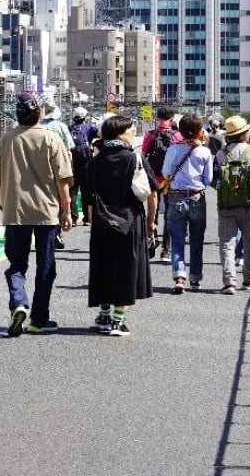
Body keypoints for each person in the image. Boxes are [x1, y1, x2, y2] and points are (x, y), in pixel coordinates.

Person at [0, 91, 74, 337]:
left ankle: (19, 302)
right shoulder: (50, 139)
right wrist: (67, 210)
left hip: (15, 211)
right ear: (40, 112)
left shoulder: (6, 140)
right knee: (46, 266)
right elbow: (63, 179)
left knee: (16, 265)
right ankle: (39, 319)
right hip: (46, 212)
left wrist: (5, 203)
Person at [86, 115, 157, 336]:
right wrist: (151, 222)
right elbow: (151, 194)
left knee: (103, 265)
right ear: (120, 133)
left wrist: (94, 222)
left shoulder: (94, 162)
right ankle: (119, 319)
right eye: (130, 130)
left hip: (102, 220)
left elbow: (88, 198)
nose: (133, 133)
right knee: (127, 266)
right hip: (130, 219)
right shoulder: (134, 159)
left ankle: (104, 314)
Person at [214, 116, 250, 294]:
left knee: (227, 243)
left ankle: (229, 282)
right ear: (245, 133)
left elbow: (214, 180)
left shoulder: (220, 154)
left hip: (226, 205)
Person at [161, 113, 214, 295]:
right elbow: (208, 179)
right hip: (197, 197)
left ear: (180, 131)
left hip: (175, 197)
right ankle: (195, 278)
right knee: (197, 240)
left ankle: (179, 277)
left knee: (177, 239)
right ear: (200, 131)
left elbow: (166, 172)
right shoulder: (204, 152)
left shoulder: (173, 149)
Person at [141, 106, 183, 262]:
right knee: (170, 214)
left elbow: (144, 155)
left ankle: (151, 239)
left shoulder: (150, 135)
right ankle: (166, 249)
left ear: (157, 118)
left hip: (153, 179)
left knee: (152, 212)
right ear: (172, 119)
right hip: (170, 180)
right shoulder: (177, 136)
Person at [40, 94, 74, 248]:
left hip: (35, 172)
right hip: (56, 171)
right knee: (58, 202)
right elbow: (68, 151)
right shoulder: (60, 127)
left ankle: (41, 233)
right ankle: (56, 234)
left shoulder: (33, 127)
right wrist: (70, 172)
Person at [69, 106, 99, 225]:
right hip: (87, 163)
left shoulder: (69, 129)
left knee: (73, 191)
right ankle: (87, 218)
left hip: (72, 163)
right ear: (84, 117)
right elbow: (100, 133)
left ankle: (73, 217)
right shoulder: (89, 128)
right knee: (87, 191)